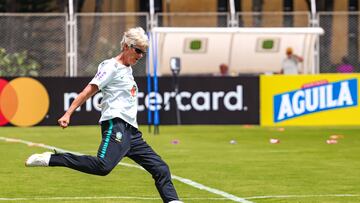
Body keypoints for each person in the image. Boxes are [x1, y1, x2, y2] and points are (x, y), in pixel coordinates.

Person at [25, 27, 183, 203]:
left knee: (160, 168)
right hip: (116, 125)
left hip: (132, 133)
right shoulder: (110, 67)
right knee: (103, 167)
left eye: (143, 53)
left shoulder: (128, 68)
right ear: (126, 46)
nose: (140, 56)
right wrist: (68, 113)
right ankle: (53, 159)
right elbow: (88, 91)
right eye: (138, 50)